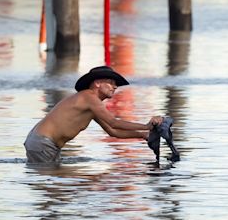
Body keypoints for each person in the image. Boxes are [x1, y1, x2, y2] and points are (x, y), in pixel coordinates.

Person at [24, 66, 163, 164]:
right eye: (110, 83)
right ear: (97, 83)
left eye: (115, 85)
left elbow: (112, 131)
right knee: (55, 185)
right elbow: (114, 122)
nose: (115, 87)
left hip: (43, 143)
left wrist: (142, 134)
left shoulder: (92, 104)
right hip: (43, 143)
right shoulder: (88, 97)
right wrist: (147, 126)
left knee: (58, 183)